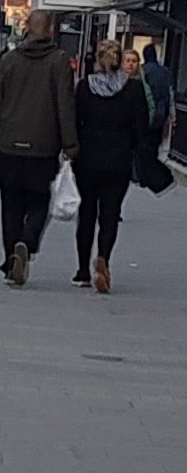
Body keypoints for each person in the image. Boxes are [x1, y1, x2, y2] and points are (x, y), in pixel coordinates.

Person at [0, 10, 78, 287]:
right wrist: (69, 143)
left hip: (9, 145)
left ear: (27, 28)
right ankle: (27, 242)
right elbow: (65, 104)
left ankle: (9, 261)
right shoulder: (60, 61)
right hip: (43, 146)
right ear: (50, 30)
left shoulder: (9, 60)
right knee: (39, 202)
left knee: (10, 205)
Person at [73, 40, 148, 294]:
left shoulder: (85, 88)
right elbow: (141, 129)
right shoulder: (133, 89)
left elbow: (75, 121)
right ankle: (103, 258)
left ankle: (83, 270)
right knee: (110, 214)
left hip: (87, 160)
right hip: (118, 162)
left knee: (86, 214)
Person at [142, 44, 175, 151]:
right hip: (162, 115)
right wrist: (172, 114)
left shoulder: (143, 71)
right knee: (155, 145)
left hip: (146, 114)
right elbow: (170, 94)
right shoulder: (165, 71)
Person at [122, 49, 155, 125]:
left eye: (134, 61)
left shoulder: (143, 84)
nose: (131, 64)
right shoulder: (116, 83)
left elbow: (150, 106)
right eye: (128, 61)